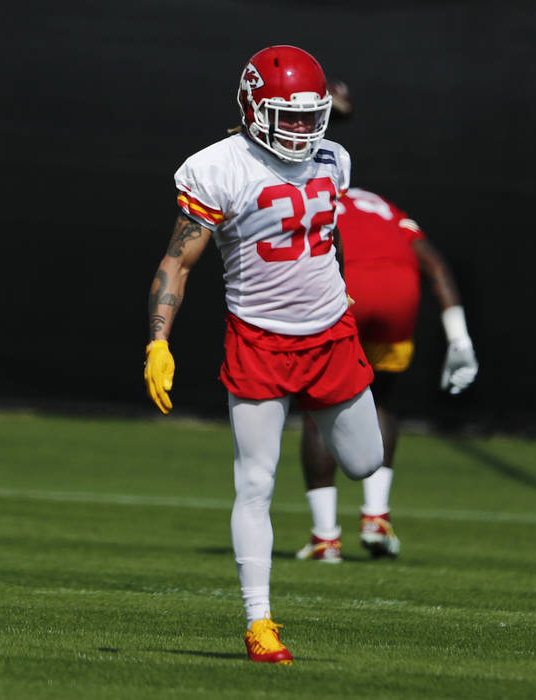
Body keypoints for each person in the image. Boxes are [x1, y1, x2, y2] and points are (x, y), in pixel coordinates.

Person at [143, 46, 383, 665]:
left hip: (331, 332)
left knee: (366, 462)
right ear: (253, 109)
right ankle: (259, 623)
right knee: (255, 482)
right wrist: (158, 340)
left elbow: (329, 237)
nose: (304, 129)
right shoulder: (218, 168)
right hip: (259, 337)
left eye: (312, 115)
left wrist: (341, 286)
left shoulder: (336, 158)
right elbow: (178, 260)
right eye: (289, 116)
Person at [294, 185, 478, 562]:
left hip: (347, 287)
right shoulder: (383, 206)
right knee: (381, 399)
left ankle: (325, 537)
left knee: (319, 408)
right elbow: (435, 264)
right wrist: (459, 340)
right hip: (398, 294)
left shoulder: (309, 193)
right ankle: (376, 518)